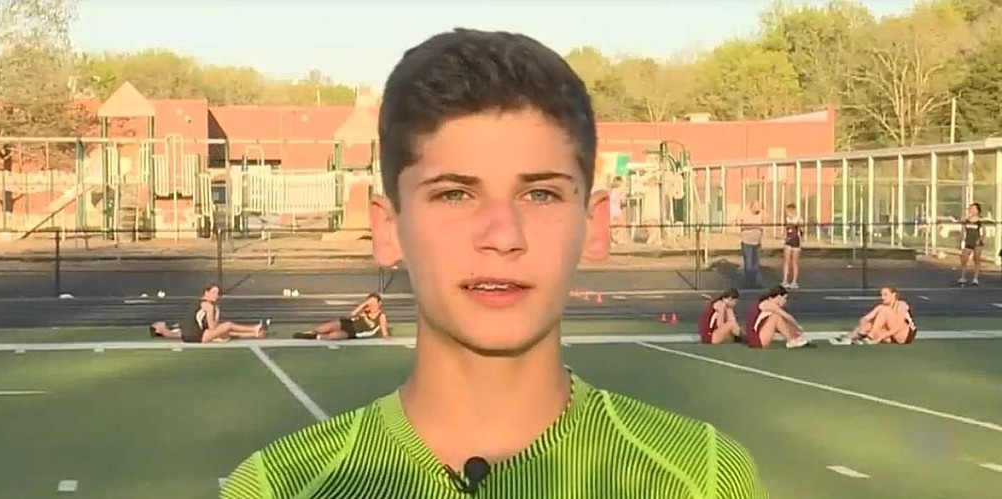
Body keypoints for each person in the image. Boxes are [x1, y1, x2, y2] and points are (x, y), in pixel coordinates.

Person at [221, 29, 766, 499]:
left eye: (541, 195)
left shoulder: (700, 479)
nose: (503, 237)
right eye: (454, 195)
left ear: (596, 225)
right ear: (387, 229)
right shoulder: (279, 487)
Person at [149, 284, 267, 343]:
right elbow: (212, 327)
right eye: (214, 292)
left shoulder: (198, 303)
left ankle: (255, 334)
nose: (216, 295)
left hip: (192, 335)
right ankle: (255, 328)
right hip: (197, 336)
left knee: (227, 331)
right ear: (206, 292)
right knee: (228, 325)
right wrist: (217, 313)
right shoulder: (208, 306)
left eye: (217, 293)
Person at [833, 287, 917, 345]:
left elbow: (897, 327)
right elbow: (867, 318)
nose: (882, 297)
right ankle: (850, 337)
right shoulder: (881, 306)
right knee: (868, 323)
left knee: (884, 310)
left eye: (885, 295)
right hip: (890, 335)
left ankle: (870, 337)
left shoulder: (902, 305)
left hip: (902, 336)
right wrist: (863, 324)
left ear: (894, 295)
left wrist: (879, 338)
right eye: (881, 295)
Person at [292, 293, 390, 340]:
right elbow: (352, 314)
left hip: (355, 332)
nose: (372, 306)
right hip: (349, 323)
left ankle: (314, 337)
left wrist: (386, 337)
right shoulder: (365, 310)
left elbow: (378, 329)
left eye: (374, 303)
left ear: (379, 303)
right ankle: (309, 333)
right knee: (323, 328)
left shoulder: (381, 316)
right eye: (370, 303)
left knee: (333, 336)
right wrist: (363, 305)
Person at [743, 285, 813, 349]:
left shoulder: (766, 303)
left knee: (778, 318)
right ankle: (791, 340)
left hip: (754, 338)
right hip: (757, 340)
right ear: (779, 297)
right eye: (784, 298)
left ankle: (794, 338)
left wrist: (794, 332)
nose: (785, 301)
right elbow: (788, 317)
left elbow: (782, 324)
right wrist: (797, 327)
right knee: (776, 317)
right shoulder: (769, 304)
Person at [736, 201, 765, 288]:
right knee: (749, 262)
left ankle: (754, 281)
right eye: (756, 207)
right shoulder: (744, 214)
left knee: (756, 263)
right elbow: (739, 223)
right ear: (751, 207)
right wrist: (753, 226)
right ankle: (748, 282)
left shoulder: (761, 214)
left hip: (757, 242)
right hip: (747, 242)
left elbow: (764, 224)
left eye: (759, 207)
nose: (758, 209)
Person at [956, 202, 986, 286]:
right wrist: (961, 241)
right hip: (968, 242)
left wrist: (980, 240)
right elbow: (963, 232)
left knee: (976, 259)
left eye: (973, 208)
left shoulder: (980, 222)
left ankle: (975, 278)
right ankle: (963, 277)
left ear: (977, 211)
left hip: (977, 243)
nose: (971, 210)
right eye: (970, 208)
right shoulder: (966, 221)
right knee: (964, 259)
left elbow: (983, 233)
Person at [782, 203, 803, 289]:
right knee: (786, 262)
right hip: (788, 241)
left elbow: (802, 231)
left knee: (794, 262)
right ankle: (785, 280)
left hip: (796, 241)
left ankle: (794, 282)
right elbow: (785, 230)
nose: (787, 213)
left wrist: (799, 226)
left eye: (788, 211)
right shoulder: (786, 219)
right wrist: (783, 238)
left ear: (792, 211)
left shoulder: (798, 219)